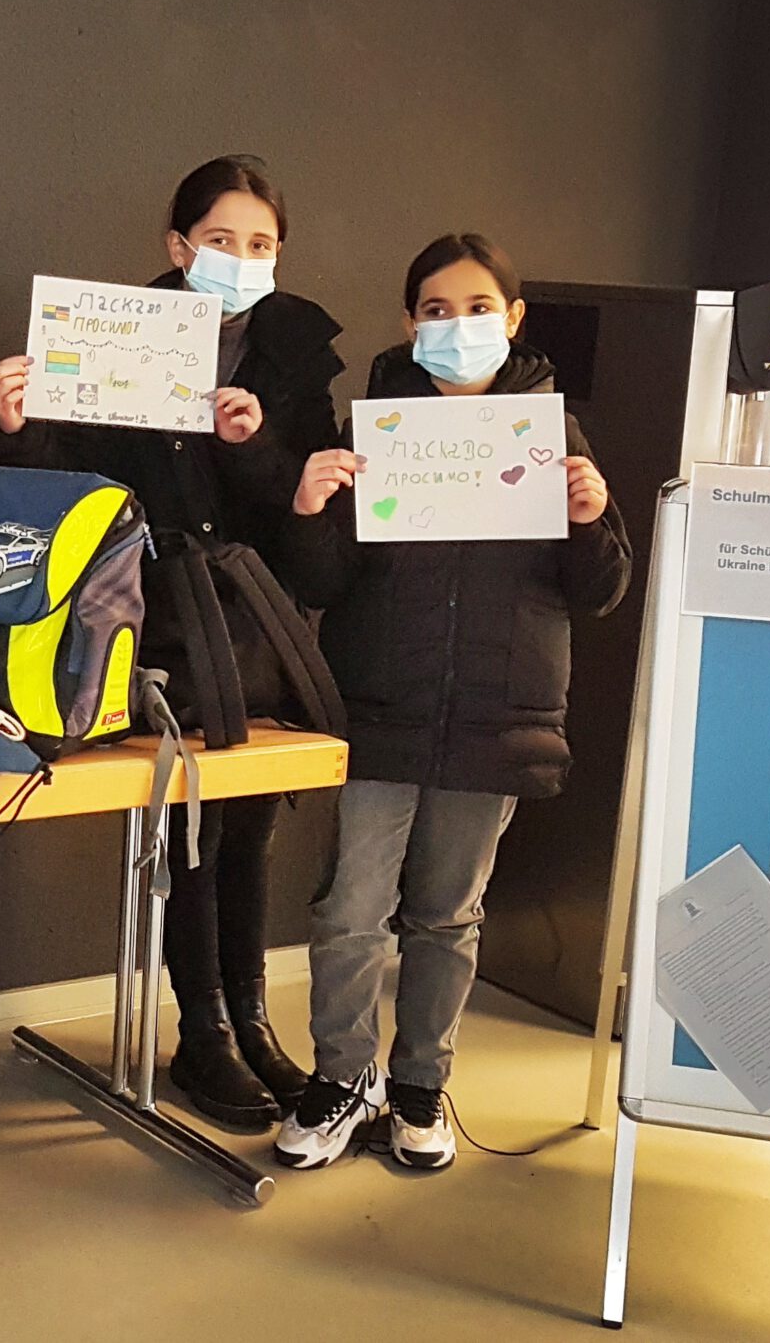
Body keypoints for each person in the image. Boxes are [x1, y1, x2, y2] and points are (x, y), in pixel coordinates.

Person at [0, 154, 346, 1130]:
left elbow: (308, 510)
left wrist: (254, 447)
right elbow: (64, 486)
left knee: (253, 826)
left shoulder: (297, 350)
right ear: (179, 246)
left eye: (261, 243)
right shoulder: (117, 335)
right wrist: (14, 425)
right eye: (221, 240)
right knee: (191, 829)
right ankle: (202, 1032)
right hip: (157, 621)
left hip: (258, 622)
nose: (241, 259)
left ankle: (253, 1023)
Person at [272, 233, 631, 1172]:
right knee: (350, 912)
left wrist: (591, 518)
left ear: (514, 318)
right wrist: (308, 509)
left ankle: (420, 1088)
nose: (457, 325)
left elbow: (601, 590)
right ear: (409, 322)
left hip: (496, 718)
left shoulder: (553, 435)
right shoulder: (376, 430)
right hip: (378, 707)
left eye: (478, 308)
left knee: (447, 916)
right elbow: (321, 581)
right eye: (436, 309)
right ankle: (341, 1081)